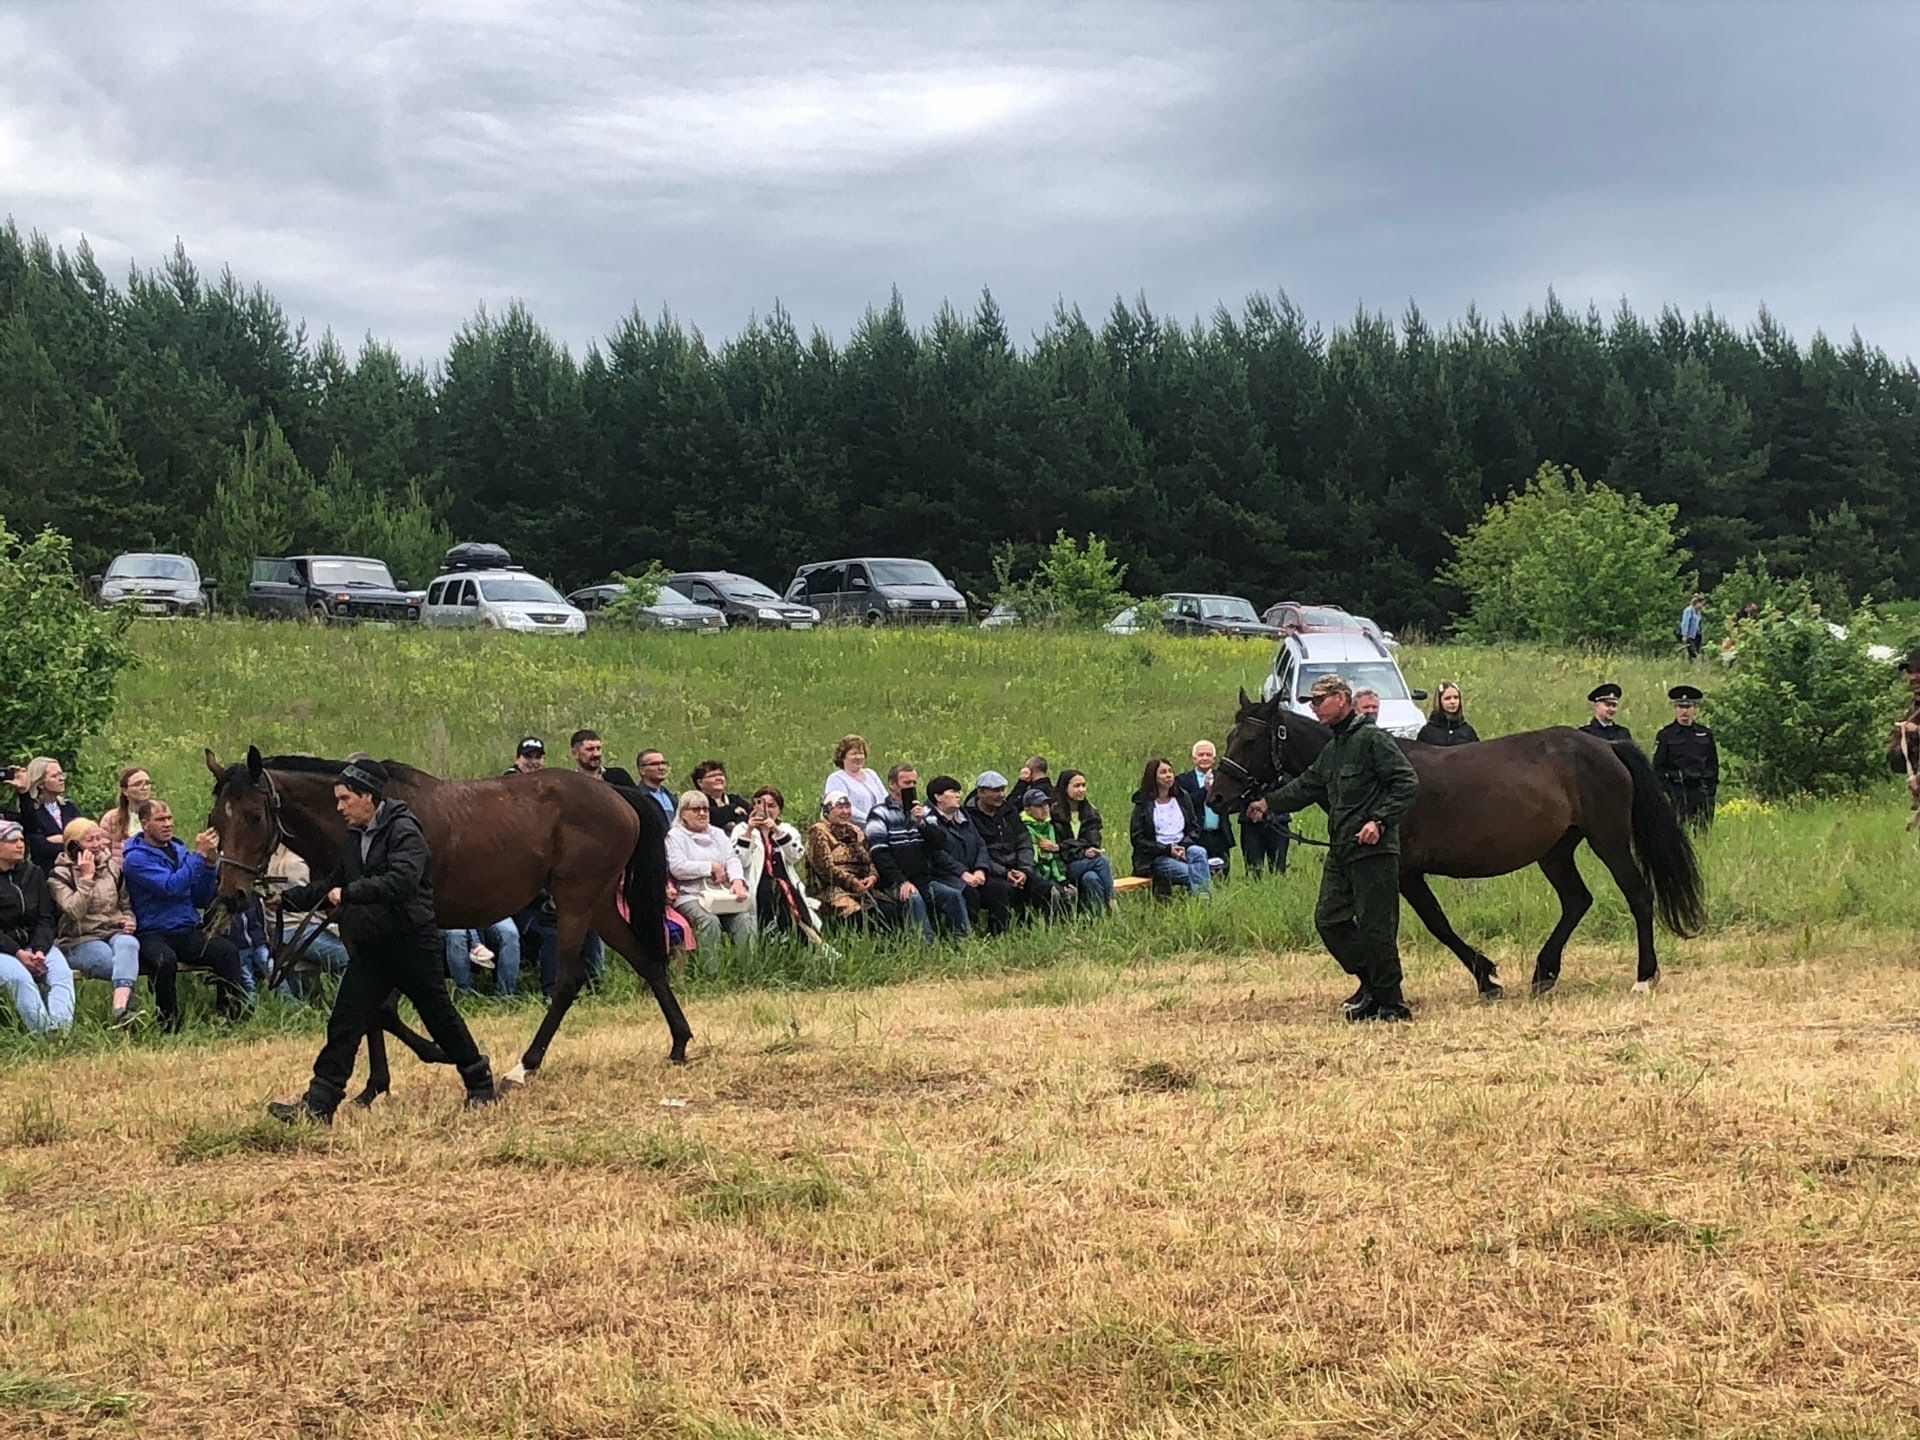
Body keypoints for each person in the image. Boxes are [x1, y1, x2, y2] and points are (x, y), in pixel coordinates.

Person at [268, 759, 498, 1122]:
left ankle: (480, 1082)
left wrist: (351, 893)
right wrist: (291, 899)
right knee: (345, 1020)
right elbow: (332, 884)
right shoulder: (355, 838)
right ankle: (319, 1103)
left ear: (368, 797)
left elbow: (403, 881)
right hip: (373, 946)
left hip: (410, 943)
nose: (339, 807)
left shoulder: (405, 831)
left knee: (439, 1017)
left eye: (345, 799)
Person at [1261, 674, 1420, 1022]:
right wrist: (1268, 804)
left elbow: (1406, 782)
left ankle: (1391, 1004)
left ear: (1342, 698)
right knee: (1329, 920)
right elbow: (1306, 786)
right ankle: (1373, 986)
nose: (1315, 708)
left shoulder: (1372, 740)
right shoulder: (1334, 748)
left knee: (1376, 927)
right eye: (1312, 703)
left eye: (1320, 700)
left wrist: (1378, 821)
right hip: (1342, 849)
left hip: (1373, 850)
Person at [123, 799, 246, 1027]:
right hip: (153, 931)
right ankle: (168, 1022)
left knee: (226, 951)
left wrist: (209, 867)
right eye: (160, 819)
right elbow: (170, 887)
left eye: (170, 818)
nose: (168, 824)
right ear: (145, 824)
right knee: (164, 961)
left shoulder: (179, 851)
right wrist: (198, 857)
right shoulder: (135, 858)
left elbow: (200, 897)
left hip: (185, 928)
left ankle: (229, 1016)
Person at [49, 817, 141, 1024]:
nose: (99, 844)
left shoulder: (112, 868)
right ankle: (127, 1014)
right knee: (115, 962)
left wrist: (129, 919)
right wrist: (86, 879)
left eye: (100, 838)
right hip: (79, 940)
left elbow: (125, 905)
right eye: (90, 840)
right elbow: (74, 911)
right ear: (73, 845)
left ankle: (120, 1011)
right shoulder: (59, 876)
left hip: (112, 931)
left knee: (129, 944)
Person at [0, 817, 74, 1034]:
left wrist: (40, 950)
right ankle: (42, 1034)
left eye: (22, 839)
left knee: (61, 973)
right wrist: (19, 953)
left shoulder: (33, 873)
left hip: (35, 945)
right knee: (19, 978)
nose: (20, 844)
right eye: (12, 840)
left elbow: (46, 918)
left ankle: (60, 1031)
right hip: (5, 950)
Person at [664, 790, 757, 957]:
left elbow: (732, 859)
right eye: (695, 809)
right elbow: (678, 867)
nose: (702, 813)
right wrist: (711, 867)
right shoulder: (674, 836)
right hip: (691, 894)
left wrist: (737, 880)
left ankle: (747, 969)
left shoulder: (717, 833)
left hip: (722, 892)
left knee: (743, 918)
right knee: (709, 921)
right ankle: (710, 971)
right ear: (683, 813)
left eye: (705, 809)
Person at [863, 764, 951, 940]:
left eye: (914, 782)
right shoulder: (879, 813)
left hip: (924, 878)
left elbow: (940, 842)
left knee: (952, 895)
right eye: (906, 782)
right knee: (914, 898)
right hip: (895, 881)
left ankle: (962, 939)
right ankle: (927, 944)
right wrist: (901, 881)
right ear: (893, 785)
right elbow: (879, 853)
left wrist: (922, 824)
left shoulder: (925, 812)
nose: (911, 787)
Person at [732, 787, 823, 944]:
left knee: (787, 896)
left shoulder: (787, 829)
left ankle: (796, 941)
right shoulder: (741, 829)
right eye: (761, 804)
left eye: (772, 806)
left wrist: (775, 830)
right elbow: (741, 861)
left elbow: (795, 856)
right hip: (756, 881)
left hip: (784, 880)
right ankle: (768, 942)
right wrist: (749, 831)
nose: (767, 810)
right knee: (767, 893)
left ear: (780, 810)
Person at [926, 775, 1005, 935]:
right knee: (969, 893)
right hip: (944, 875)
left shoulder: (963, 815)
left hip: (973, 872)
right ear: (938, 797)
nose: (958, 795)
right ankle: (965, 936)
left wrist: (980, 869)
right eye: (953, 792)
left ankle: (998, 934)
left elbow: (980, 843)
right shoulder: (929, 819)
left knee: (999, 889)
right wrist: (963, 873)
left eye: (959, 792)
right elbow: (937, 853)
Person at [805, 792, 890, 928]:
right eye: (839, 807)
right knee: (858, 915)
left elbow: (870, 859)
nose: (845, 812)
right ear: (827, 811)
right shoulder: (818, 831)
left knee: (889, 909)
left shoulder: (856, 830)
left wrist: (872, 877)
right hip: (831, 888)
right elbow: (825, 868)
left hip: (862, 886)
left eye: (847, 807)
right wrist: (851, 882)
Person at [965, 771, 1043, 919]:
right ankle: (998, 934)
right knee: (1000, 891)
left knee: (1043, 887)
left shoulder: (1009, 811)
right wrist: (1004, 873)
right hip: (990, 871)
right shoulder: (969, 817)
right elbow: (977, 852)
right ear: (981, 792)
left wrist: (1024, 870)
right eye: (995, 791)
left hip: (1016, 867)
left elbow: (1024, 841)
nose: (1001, 795)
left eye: (1002, 790)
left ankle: (1036, 927)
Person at [1129, 759, 1212, 896]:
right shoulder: (1143, 803)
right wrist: (1168, 850)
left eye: (1170, 771)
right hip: (1157, 856)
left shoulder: (1182, 797)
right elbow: (1138, 839)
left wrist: (1183, 846)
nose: (1168, 775)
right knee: (1191, 873)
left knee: (1199, 852)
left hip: (1183, 848)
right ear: (1153, 777)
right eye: (1163, 772)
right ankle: (1203, 901)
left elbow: (1194, 827)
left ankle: (1204, 902)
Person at [1653, 684, 1719, 829]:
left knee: (1703, 834)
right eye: (1680, 707)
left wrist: (1710, 792)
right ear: (1675, 708)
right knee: (1678, 833)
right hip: (1677, 792)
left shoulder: (1705, 734)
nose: (1684, 711)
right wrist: (1668, 792)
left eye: (1688, 707)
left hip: (1701, 792)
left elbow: (1713, 765)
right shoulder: (1666, 735)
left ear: (1695, 708)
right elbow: (1658, 767)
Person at [1054, 769, 1116, 913]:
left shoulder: (1091, 813)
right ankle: (1111, 901)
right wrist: (1082, 851)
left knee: (1091, 878)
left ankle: (1098, 918)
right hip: (1065, 866)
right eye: (1076, 786)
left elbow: (1093, 842)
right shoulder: (1054, 813)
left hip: (1084, 863)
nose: (1081, 790)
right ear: (1065, 788)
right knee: (1101, 861)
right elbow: (1058, 848)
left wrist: (1074, 848)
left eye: (1083, 785)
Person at [1016, 788, 1076, 917]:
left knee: (1070, 892)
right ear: (1027, 809)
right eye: (1038, 805)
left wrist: (1062, 878)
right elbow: (1027, 857)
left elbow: (1058, 856)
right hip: (1033, 874)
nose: (1045, 809)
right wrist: (1040, 851)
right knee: (1052, 892)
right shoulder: (1021, 828)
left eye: (1046, 804)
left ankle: (1066, 924)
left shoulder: (1052, 826)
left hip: (1054, 872)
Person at [14, 757, 82, 870]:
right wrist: (70, 841)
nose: (61, 779)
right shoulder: (31, 813)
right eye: (54, 776)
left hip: (77, 868)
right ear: (40, 783)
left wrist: (62, 839)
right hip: (48, 872)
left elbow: (86, 838)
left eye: (62, 774)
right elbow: (40, 849)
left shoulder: (69, 807)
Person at [442, 922, 522, 1000]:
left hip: (489, 914)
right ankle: (464, 994)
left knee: (510, 933)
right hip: (452, 918)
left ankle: (506, 995)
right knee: (457, 935)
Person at [824, 735, 889, 825]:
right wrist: (871, 821)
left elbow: (885, 797)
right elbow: (842, 808)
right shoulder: (836, 779)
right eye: (854, 753)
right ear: (843, 756)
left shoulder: (871, 774)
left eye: (861, 753)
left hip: (882, 824)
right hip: (855, 829)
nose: (858, 757)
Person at [1888, 649, 1920, 805]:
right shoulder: (1914, 709)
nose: (1913, 677)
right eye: (1910, 672)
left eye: (1919, 671)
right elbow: (1896, 763)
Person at [101, 765, 152, 855]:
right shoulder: (111, 818)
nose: (144, 787)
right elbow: (103, 851)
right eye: (138, 784)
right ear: (125, 791)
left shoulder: (159, 814)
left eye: (147, 783)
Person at [690, 760, 751, 833]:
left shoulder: (734, 799)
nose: (718, 778)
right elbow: (712, 816)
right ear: (700, 783)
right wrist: (732, 810)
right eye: (712, 776)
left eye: (721, 775)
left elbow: (752, 813)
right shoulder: (696, 802)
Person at [1417, 682, 1480, 747]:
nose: (1452, 702)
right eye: (1447, 698)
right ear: (1439, 701)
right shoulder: (1427, 732)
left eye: (1456, 697)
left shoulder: (1468, 731)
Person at [570, 729, 635, 788]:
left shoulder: (619, 776)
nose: (596, 754)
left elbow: (639, 799)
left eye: (598, 748)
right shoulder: (570, 783)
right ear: (575, 753)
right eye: (590, 749)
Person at [635, 749, 675, 818]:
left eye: (663, 763)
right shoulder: (637, 798)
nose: (661, 768)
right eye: (655, 764)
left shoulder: (671, 797)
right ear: (642, 770)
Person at [1678, 592, 1707, 663]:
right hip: (1689, 635)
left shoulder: (1698, 612)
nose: (1702, 606)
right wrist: (1684, 635)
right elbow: (1685, 623)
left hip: (1696, 634)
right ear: (1697, 603)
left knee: (1697, 651)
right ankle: (1690, 664)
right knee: (1692, 651)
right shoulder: (1688, 610)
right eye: (1701, 604)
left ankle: (1694, 664)